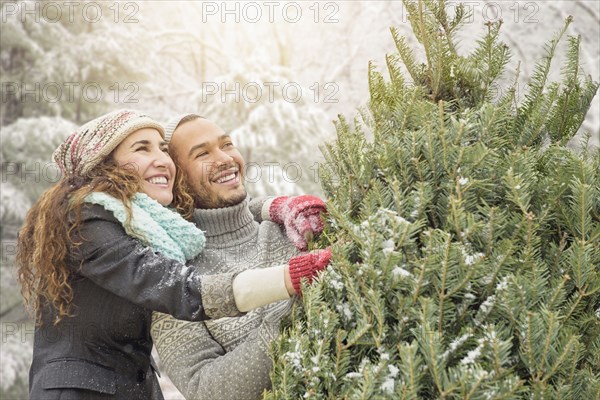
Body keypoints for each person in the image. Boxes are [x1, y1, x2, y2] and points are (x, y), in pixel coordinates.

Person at [16, 109, 328, 400]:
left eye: (163, 149)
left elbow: (221, 214)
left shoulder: (150, 228)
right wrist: (291, 281)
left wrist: (276, 207)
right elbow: (176, 288)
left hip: (133, 388)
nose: (162, 159)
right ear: (103, 165)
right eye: (142, 148)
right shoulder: (87, 219)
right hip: (79, 390)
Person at [151, 114, 332, 400]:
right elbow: (205, 390)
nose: (225, 158)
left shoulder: (293, 227)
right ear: (176, 177)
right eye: (202, 153)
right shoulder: (175, 283)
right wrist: (294, 308)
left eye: (227, 144)